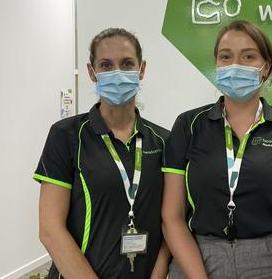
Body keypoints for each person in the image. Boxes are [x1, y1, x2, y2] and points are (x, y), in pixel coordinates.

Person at [162, 20, 272, 278]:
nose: (236, 65)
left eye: (248, 56)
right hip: (197, 256)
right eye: (226, 57)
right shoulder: (188, 125)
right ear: (217, 65)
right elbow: (172, 216)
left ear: (265, 67)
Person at [33, 28, 170, 278]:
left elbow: (171, 222)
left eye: (127, 63)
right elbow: (50, 230)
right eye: (106, 65)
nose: (117, 73)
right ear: (92, 72)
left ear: (142, 70)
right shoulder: (66, 135)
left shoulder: (164, 140)